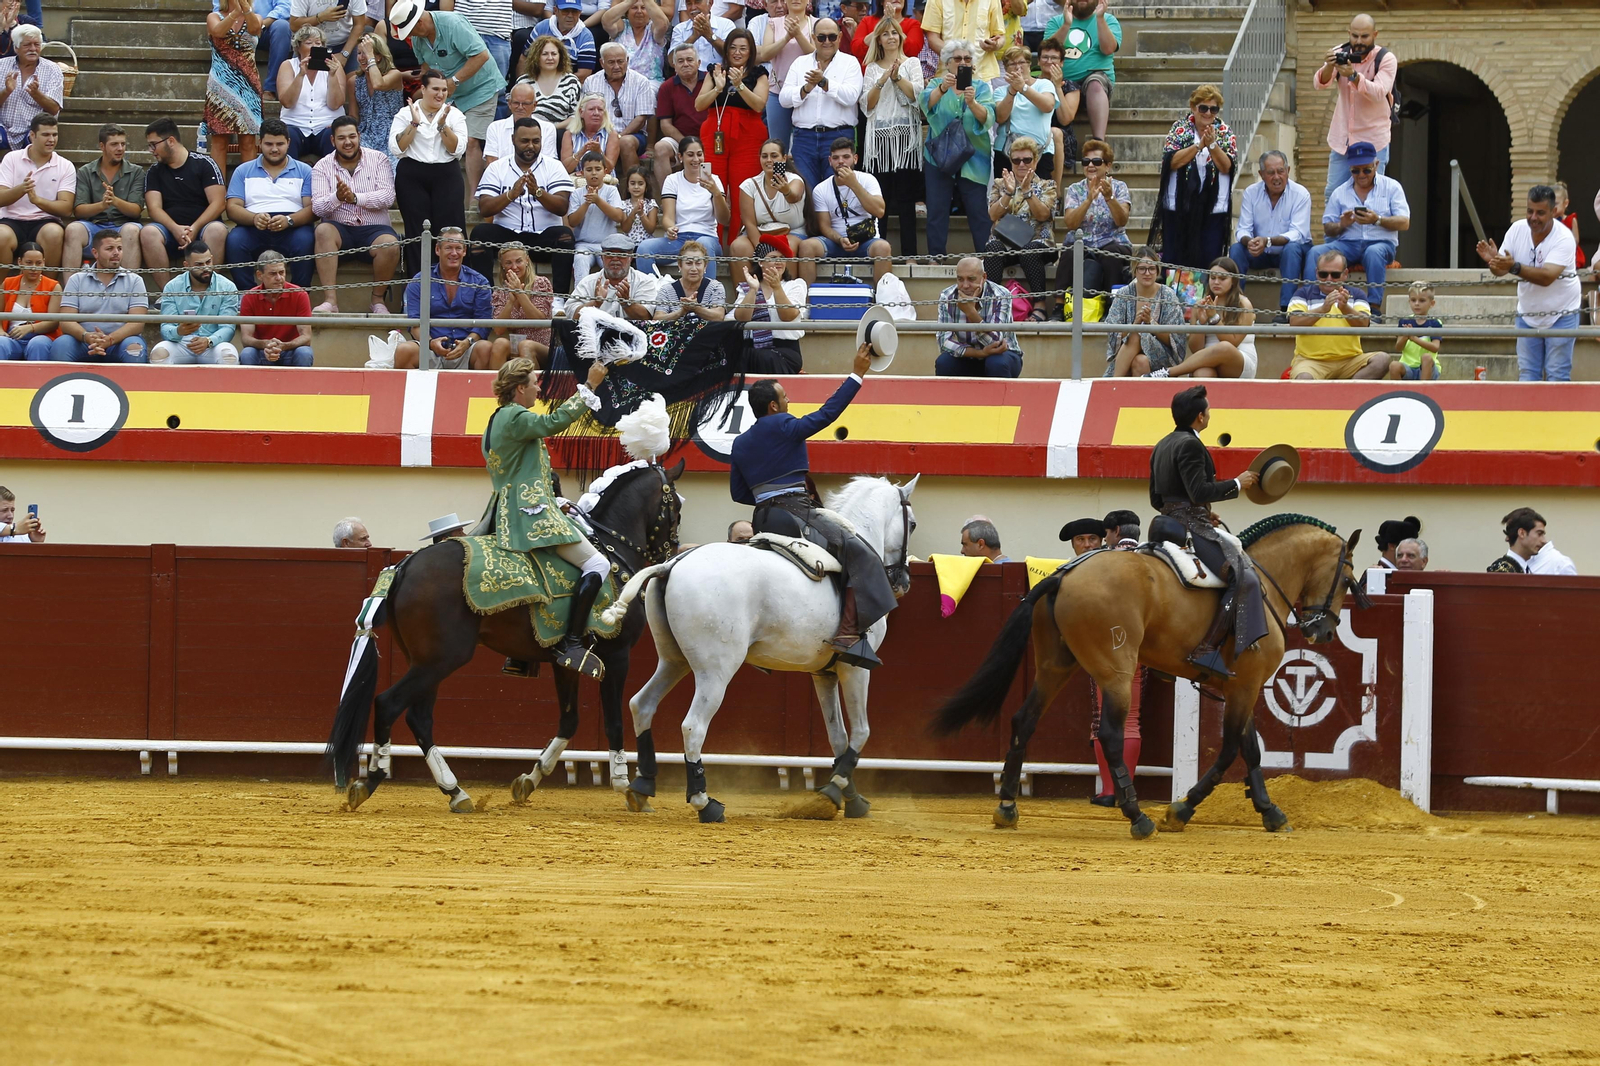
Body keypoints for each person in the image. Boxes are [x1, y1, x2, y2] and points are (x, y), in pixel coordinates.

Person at [729, 344, 893, 668]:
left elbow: (738, 492)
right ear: (774, 406)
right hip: (795, 513)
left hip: (761, 518)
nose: (790, 401)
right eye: (785, 397)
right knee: (860, 553)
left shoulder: (740, 441)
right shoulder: (785, 424)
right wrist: (857, 374)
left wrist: (767, 496)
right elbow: (826, 414)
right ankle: (847, 634)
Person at [487, 356, 615, 678]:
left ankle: (522, 652)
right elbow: (554, 422)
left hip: (509, 511)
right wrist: (590, 386)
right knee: (598, 564)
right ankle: (571, 642)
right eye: (534, 383)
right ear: (519, 389)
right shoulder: (516, 416)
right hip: (532, 515)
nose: (538, 388)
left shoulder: (495, 420)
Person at [1150, 384, 1263, 678]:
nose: (1210, 414)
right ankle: (1207, 648)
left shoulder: (1162, 443)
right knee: (1243, 577)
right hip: (1189, 524)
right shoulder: (1190, 444)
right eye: (1208, 410)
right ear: (1200, 417)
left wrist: (1202, 510)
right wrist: (1237, 484)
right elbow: (1198, 490)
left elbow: (1157, 498)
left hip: (1167, 520)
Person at [386, 0, 502, 200]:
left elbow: (481, 55)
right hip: (447, 92)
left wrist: (454, 81)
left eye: (410, 30)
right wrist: (425, 88)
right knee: (438, 134)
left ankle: (475, 198)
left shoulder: (453, 24)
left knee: (472, 140)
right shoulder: (418, 39)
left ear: (419, 23)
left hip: (480, 88)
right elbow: (425, 68)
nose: (410, 36)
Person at [1477, 185, 1582, 383]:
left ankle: (1556, 415)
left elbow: (1546, 277)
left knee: (1557, 376)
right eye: (1530, 211)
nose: (1533, 217)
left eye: (1540, 213)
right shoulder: (1517, 230)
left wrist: (1513, 266)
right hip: (1528, 313)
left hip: (1562, 313)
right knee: (1527, 376)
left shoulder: (1564, 238)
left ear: (1553, 212)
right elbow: (1500, 269)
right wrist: (1493, 262)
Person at [469, 118, 577, 291]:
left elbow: (562, 207)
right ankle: (486, 295)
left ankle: (559, 299)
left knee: (565, 236)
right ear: (513, 140)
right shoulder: (497, 167)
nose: (531, 146)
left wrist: (538, 193)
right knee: (480, 233)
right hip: (507, 237)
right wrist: (510, 195)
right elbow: (485, 208)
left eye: (536, 141)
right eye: (525, 141)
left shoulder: (554, 167)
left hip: (543, 237)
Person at [311, 115, 400, 314]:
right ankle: (330, 301)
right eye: (342, 138)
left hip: (375, 229)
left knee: (391, 244)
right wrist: (337, 197)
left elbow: (388, 196)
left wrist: (354, 198)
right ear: (333, 140)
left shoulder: (379, 159)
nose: (348, 142)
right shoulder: (321, 167)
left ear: (359, 136)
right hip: (340, 230)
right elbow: (317, 208)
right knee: (323, 230)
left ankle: (378, 300)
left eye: (352, 136)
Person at [389, 71, 468, 277]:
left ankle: (452, 283)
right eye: (435, 89)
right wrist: (414, 123)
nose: (441, 94)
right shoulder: (405, 113)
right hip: (412, 175)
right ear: (423, 89)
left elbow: (456, 150)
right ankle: (418, 286)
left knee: (451, 232)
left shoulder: (455, 115)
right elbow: (397, 149)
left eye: (444, 90)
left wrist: (442, 125)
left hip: (446, 175)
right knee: (417, 232)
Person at [1312, 140, 1408, 309]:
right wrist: (1342, 224)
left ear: (1376, 164)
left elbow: (1404, 222)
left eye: (1366, 170)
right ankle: (1312, 303)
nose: (1361, 175)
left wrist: (1377, 220)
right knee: (1315, 252)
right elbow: (1328, 227)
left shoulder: (1392, 187)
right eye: (1355, 171)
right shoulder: (1340, 192)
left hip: (1381, 243)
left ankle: (1374, 307)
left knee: (1373, 252)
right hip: (1347, 244)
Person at [921, 39, 996, 256]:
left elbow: (988, 118)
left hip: (974, 157)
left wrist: (973, 103)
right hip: (939, 157)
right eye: (957, 58)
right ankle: (936, 257)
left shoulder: (981, 87)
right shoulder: (936, 85)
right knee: (936, 209)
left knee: (978, 210)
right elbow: (926, 105)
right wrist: (944, 87)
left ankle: (985, 259)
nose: (963, 62)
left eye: (967, 58)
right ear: (947, 62)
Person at [223, 118, 317, 288]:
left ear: (289, 143)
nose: (274, 149)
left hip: (293, 227)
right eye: (269, 144)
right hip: (253, 227)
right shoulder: (243, 170)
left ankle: (298, 296)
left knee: (306, 241)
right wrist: (254, 218)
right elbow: (232, 207)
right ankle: (247, 296)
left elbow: (312, 209)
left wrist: (289, 220)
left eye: (280, 144)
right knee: (235, 241)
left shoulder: (305, 171)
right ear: (260, 143)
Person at [1151, 84, 1234, 270]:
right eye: (1203, 108)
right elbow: (1172, 162)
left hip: (1213, 207)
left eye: (1213, 109)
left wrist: (1212, 146)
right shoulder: (1179, 129)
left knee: (1209, 258)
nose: (1208, 113)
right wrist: (1198, 146)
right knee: (1175, 258)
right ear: (1193, 107)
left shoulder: (1224, 132)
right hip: (1178, 205)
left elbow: (1227, 166)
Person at [1313, 12, 1396, 198]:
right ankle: (1335, 228)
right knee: (1333, 194)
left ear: (1375, 35)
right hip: (1343, 140)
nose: (1359, 41)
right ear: (1348, 33)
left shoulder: (1385, 59)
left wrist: (1353, 76)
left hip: (1374, 142)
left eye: (1364, 36)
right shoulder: (1340, 52)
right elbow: (1319, 84)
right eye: (1354, 36)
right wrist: (1329, 65)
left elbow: (1378, 92)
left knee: (1373, 196)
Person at [859, 16, 924, 256]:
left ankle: (910, 256)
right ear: (879, 39)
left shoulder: (913, 63)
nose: (890, 37)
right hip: (879, 140)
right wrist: (882, 80)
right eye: (885, 34)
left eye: (894, 33)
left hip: (905, 137)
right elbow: (867, 105)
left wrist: (897, 77)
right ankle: (879, 251)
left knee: (906, 198)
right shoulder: (872, 67)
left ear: (901, 37)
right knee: (881, 198)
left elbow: (917, 98)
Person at [698, 29, 770, 245]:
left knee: (742, 192)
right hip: (715, 134)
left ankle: (740, 248)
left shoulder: (759, 73)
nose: (737, 53)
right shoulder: (715, 71)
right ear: (726, 49)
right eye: (733, 47)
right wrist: (718, 88)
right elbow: (699, 104)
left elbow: (759, 104)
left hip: (748, 137)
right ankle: (711, 245)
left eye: (743, 48)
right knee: (712, 188)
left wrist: (739, 85)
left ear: (751, 52)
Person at [141, 119, 230, 290]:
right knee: (148, 232)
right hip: (169, 231)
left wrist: (194, 227)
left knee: (217, 230)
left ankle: (210, 291)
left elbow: (218, 203)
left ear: (171, 141)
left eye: (154, 145)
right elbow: (154, 208)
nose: (152, 151)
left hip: (203, 229)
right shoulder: (154, 171)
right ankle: (169, 294)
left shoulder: (204, 164)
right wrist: (175, 229)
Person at [779, 18, 863, 192]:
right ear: (813, 37)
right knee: (806, 193)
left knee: (837, 192)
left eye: (832, 37)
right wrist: (806, 88)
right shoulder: (799, 63)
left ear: (840, 37)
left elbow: (851, 97)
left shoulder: (850, 63)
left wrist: (823, 83)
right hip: (804, 138)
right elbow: (784, 99)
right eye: (821, 37)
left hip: (838, 137)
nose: (827, 42)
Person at [396, 227, 493, 370]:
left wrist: (467, 342)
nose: (454, 253)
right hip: (429, 347)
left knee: (486, 348)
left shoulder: (479, 281)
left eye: (458, 248)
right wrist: (430, 343)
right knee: (403, 351)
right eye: (448, 248)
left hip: (466, 348)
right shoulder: (420, 280)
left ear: (465, 251)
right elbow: (414, 323)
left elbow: (483, 322)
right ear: (437, 250)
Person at [799, 137, 892, 285]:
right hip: (835, 242)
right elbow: (824, 226)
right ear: (830, 161)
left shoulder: (868, 180)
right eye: (836, 158)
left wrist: (854, 184)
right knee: (806, 246)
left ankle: (882, 301)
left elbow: (880, 211)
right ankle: (805, 302)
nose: (841, 161)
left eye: (846, 157)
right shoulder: (821, 189)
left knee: (883, 247)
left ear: (855, 159)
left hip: (866, 241)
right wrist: (840, 239)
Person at [982, 134, 1055, 322]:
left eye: (1027, 160)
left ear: (1036, 161)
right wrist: (1008, 192)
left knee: (1030, 251)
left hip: (1038, 244)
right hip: (1006, 244)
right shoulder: (1000, 184)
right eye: (1016, 160)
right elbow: (993, 215)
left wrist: (1027, 191)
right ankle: (991, 305)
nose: (1021, 164)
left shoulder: (1047, 185)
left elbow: (1043, 215)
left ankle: (1039, 306)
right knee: (992, 249)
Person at [1229, 150, 1313, 313]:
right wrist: (1250, 242)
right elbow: (1243, 229)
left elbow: (1297, 233)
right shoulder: (1251, 192)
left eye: (1281, 171)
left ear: (1288, 171)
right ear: (1261, 174)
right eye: (1270, 172)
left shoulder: (1300, 194)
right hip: (1260, 252)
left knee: (1292, 248)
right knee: (1237, 249)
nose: (1276, 177)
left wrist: (1267, 240)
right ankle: (1234, 305)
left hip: (1291, 253)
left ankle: (1286, 309)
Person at [1285, 248, 1387, 380]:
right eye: (1323, 274)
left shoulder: (1356, 294)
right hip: (1311, 361)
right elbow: (1294, 322)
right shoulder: (1303, 294)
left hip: (1350, 360)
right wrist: (1322, 309)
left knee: (1382, 360)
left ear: (1345, 274)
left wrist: (1345, 308)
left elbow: (1364, 323)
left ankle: (1349, 396)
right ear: (1316, 273)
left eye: (1335, 275)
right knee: (1304, 378)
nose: (1328, 279)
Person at [1054, 137, 1130, 313]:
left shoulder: (1119, 187)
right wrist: (1088, 199)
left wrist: (1109, 198)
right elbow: (1071, 223)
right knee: (1069, 251)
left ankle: (1113, 308)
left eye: (1096, 161)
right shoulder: (1075, 189)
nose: (1090, 165)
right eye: (1086, 161)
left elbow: (1122, 220)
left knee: (1111, 253)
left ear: (1108, 165)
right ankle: (1058, 306)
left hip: (1112, 241)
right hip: (1083, 242)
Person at [50, 230, 150, 363]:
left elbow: (137, 323)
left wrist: (110, 339)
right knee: (61, 345)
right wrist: (87, 337)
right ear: (95, 253)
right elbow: (66, 321)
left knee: (134, 348)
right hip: (84, 341)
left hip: (120, 342)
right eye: (110, 248)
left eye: (119, 248)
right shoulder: (77, 279)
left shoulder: (135, 280)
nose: (116, 253)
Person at [636, 135, 728, 273]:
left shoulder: (714, 180)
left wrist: (715, 192)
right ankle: (653, 290)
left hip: (707, 237)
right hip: (680, 238)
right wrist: (670, 228)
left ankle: (709, 293)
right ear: (681, 157)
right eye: (690, 155)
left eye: (699, 154)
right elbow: (667, 217)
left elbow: (724, 219)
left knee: (704, 245)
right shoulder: (672, 180)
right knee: (644, 248)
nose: (696, 159)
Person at [1154, 258, 1256, 379]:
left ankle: (1169, 372)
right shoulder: (1200, 305)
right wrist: (1201, 323)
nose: (1216, 282)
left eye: (1222, 278)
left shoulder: (1243, 304)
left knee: (1224, 347)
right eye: (1213, 278)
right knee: (1202, 372)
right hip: (1206, 360)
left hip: (1238, 361)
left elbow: (1233, 343)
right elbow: (1195, 349)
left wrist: (1214, 317)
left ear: (1233, 281)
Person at [65, 125, 146, 273]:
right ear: (102, 146)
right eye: (114, 144)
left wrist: (115, 201)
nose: (120, 148)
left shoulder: (136, 172)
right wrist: (102, 205)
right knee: (73, 229)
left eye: (123, 144)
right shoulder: (85, 172)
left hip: (123, 225)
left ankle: (127, 291)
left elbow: (135, 210)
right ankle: (71, 292)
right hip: (94, 226)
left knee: (132, 230)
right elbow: (79, 210)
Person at [0, 113, 74, 271]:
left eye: (55, 134)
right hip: (11, 220)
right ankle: (2, 291)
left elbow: (66, 208)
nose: (51, 139)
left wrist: (37, 201)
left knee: (54, 233)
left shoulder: (65, 165)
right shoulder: (11, 158)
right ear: (32, 136)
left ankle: (48, 290)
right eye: (46, 134)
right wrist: (21, 189)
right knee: (1, 236)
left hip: (45, 221)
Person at [152, 242, 242, 365]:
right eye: (199, 264)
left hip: (212, 344)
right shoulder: (172, 286)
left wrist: (209, 341)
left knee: (229, 356)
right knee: (159, 354)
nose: (205, 268)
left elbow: (228, 328)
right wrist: (179, 331)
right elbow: (166, 327)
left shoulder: (227, 286)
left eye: (208, 262)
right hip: (181, 343)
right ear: (186, 265)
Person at [205, 0, 265, 183]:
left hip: (248, 85)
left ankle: (248, 189)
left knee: (248, 142)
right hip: (221, 84)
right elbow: (218, 32)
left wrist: (245, 9)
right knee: (219, 141)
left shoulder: (256, 17)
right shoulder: (214, 17)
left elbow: (255, 29)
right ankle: (218, 191)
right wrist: (234, 12)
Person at [935, 254, 1023, 378]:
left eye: (971, 279)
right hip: (969, 355)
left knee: (996, 363)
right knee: (944, 362)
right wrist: (979, 353)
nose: (965, 285)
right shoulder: (948, 296)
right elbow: (943, 342)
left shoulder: (1001, 294)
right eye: (960, 279)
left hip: (1004, 355)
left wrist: (971, 313)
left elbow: (996, 341)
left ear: (984, 277)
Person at [1042, 0, 1117, 140]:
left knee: (1095, 83)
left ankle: (1098, 142)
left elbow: (1108, 49)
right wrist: (1066, 25)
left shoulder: (1109, 20)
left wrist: (1100, 19)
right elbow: (1047, 53)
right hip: (1063, 82)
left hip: (1095, 80)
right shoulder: (1056, 22)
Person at [1105, 247, 1184, 377]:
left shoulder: (1168, 295)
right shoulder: (1124, 293)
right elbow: (1112, 333)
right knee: (1140, 361)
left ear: (1157, 271)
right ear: (1134, 271)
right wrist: (1135, 324)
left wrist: (1150, 323)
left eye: (1151, 269)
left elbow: (1176, 339)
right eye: (1142, 268)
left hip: (1163, 356)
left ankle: (1114, 384)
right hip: (1128, 353)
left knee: (1137, 334)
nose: (1147, 273)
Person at [751, 0, 815, 154]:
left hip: (808, 92)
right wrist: (787, 37)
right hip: (777, 91)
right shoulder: (774, 23)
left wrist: (798, 35)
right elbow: (765, 54)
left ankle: (800, 177)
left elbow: (816, 55)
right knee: (778, 146)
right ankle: (780, 177)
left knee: (806, 144)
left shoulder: (815, 23)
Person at [732, 242, 807, 373]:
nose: (778, 262)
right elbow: (741, 318)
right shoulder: (748, 286)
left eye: (782, 258)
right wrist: (753, 290)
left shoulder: (795, 285)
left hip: (783, 351)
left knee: (766, 358)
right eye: (773, 258)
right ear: (761, 262)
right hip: (751, 348)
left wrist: (777, 287)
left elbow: (787, 316)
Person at [583, 41, 655, 176]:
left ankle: (633, 189)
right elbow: (586, 113)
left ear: (627, 60)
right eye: (611, 62)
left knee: (625, 143)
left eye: (620, 61)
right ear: (602, 62)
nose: (616, 66)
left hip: (631, 134)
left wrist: (618, 137)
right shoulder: (591, 82)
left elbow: (641, 118)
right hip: (599, 134)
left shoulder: (641, 81)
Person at [277, 24, 348, 161]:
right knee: (287, 135)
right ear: (298, 47)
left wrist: (332, 76)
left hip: (326, 125)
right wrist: (301, 75)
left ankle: (335, 180)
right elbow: (287, 102)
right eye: (309, 43)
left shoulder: (334, 66)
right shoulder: (288, 65)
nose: (314, 46)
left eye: (318, 43)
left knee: (334, 134)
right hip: (295, 125)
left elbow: (335, 104)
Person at [731, 138, 807, 263]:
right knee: (738, 247)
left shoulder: (795, 180)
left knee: (786, 248)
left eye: (774, 156)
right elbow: (749, 223)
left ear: (784, 158)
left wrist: (785, 190)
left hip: (792, 232)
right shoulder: (749, 185)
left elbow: (794, 197)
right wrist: (762, 250)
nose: (769, 160)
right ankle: (744, 283)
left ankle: (788, 283)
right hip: (761, 232)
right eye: (764, 156)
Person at [239, 249, 315, 365]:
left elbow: (306, 337)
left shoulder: (300, 294)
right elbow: (246, 338)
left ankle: (301, 384)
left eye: (282, 272)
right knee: (247, 353)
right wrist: (266, 345)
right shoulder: (249, 296)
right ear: (260, 275)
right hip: (263, 351)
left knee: (304, 352)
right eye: (273, 274)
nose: (279, 278)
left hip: (290, 350)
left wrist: (283, 346)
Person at [564, 232, 662, 322]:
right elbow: (572, 316)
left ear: (631, 257)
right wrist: (595, 303)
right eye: (610, 254)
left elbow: (647, 317)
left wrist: (627, 303)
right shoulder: (588, 282)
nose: (615, 259)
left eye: (621, 254)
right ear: (602, 257)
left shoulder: (644, 281)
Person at [992, 45, 1056, 181]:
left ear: (1029, 64)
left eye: (1021, 62)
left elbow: (1048, 105)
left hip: (1040, 152)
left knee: (1039, 198)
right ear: (1006, 68)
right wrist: (1012, 91)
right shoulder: (1000, 91)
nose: (1017, 67)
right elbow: (1000, 117)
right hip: (1007, 152)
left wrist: (1023, 88)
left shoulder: (1044, 84)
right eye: (1012, 64)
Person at [488, 242, 555, 370]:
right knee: (499, 343)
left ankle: (532, 387)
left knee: (525, 346)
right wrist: (510, 302)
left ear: (527, 261)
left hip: (541, 347)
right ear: (502, 265)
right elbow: (498, 330)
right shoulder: (501, 291)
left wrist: (520, 294)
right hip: (515, 345)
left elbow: (539, 320)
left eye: (518, 261)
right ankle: (497, 389)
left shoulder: (540, 283)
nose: (514, 267)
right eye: (508, 263)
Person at [653, 44, 707, 191]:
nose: (686, 64)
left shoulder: (710, 80)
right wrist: (686, 144)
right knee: (660, 148)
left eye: (690, 59)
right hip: (680, 138)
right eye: (681, 61)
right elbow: (665, 125)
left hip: (709, 136)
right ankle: (669, 196)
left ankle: (710, 197)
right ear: (674, 66)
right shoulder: (666, 87)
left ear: (698, 63)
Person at [565, 149, 626, 279]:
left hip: (607, 244)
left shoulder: (611, 191)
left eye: (598, 169)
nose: (593, 173)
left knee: (610, 270)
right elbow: (572, 221)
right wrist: (586, 203)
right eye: (589, 169)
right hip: (583, 244)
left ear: (605, 172)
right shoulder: (577, 193)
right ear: (582, 173)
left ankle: (610, 297)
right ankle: (581, 297)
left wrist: (598, 200)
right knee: (580, 259)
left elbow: (618, 216)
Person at [0, 23, 61, 150]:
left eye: (37, 44)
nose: (33, 49)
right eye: (27, 45)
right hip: (3, 128)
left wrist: (36, 94)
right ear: (16, 48)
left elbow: (54, 109)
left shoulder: (53, 70)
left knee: (42, 135)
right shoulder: (1, 66)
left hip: (34, 129)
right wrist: (7, 91)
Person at [348, 32, 406, 162]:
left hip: (392, 133)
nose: (362, 58)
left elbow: (378, 84)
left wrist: (370, 59)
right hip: (365, 134)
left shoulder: (394, 75)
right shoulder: (353, 81)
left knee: (393, 167)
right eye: (359, 53)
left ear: (379, 56)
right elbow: (353, 116)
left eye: (367, 53)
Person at [1036, 36, 1080, 200]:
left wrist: (1056, 87)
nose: (1049, 61)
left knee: (1055, 132)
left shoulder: (1071, 87)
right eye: (1045, 57)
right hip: (1033, 132)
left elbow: (1065, 119)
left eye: (1054, 58)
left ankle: (1055, 192)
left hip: (1060, 136)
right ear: (1039, 61)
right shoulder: (1031, 84)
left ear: (1061, 62)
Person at [921, 0, 1004, 86]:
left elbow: (1000, 36)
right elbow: (933, 38)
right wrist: (958, 60)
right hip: (948, 77)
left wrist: (995, 45)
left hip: (981, 76)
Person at [485, 80, 559, 170]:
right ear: (509, 104)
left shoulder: (548, 129)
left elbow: (548, 164)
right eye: (516, 103)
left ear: (534, 105)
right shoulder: (495, 128)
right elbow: (491, 163)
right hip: (502, 180)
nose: (520, 107)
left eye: (525, 104)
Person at [0, 241, 56, 359]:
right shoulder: (7, 283)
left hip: (40, 337)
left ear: (44, 263)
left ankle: (38, 377)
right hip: (11, 337)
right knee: (1, 342)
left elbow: (54, 322)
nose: (34, 268)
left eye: (38, 263)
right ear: (20, 262)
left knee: (38, 344)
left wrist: (30, 328)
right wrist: (0, 331)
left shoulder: (53, 286)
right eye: (29, 263)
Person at [1488, 507, 1576, 576]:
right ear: (1522, 533)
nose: (1544, 541)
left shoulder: (1519, 568)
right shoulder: (1502, 570)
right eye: (1539, 534)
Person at [521, 34, 584, 127]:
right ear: (536, 57)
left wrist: (552, 129)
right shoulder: (524, 82)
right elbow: (518, 112)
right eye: (544, 54)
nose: (550, 58)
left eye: (554, 54)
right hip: (529, 132)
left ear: (560, 56)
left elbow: (576, 116)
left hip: (560, 133)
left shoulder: (572, 82)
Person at [291, 0, 371, 73]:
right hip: (311, 44)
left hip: (346, 43)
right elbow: (294, 26)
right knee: (300, 77)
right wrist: (320, 18)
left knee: (354, 80)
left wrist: (344, 54)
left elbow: (359, 24)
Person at [601, 0, 670, 84]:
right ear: (627, 12)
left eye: (643, 8)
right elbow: (606, 21)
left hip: (650, 83)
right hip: (622, 82)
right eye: (634, 8)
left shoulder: (653, 30)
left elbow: (663, 24)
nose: (639, 11)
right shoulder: (621, 27)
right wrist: (630, 1)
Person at [656, 240, 726, 322]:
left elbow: (719, 316)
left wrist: (696, 308)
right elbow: (657, 319)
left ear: (705, 266)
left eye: (698, 263)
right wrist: (681, 312)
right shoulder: (666, 290)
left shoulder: (715, 287)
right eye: (689, 263)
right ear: (680, 265)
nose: (693, 269)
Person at [531, 0, 599, 79]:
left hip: (570, 84)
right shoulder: (541, 27)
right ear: (555, 11)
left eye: (574, 11)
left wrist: (558, 84)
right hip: (538, 79)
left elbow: (584, 74)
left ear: (579, 13)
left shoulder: (586, 36)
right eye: (565, 11)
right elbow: (525, 59)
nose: (570, 15)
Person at [1389, 280, 1441, 381]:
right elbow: (1398, 348)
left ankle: (1423, 392)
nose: (1417, 304)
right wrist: (1405, 336)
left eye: (1422, 300)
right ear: (1409, 301)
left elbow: (1435, 347)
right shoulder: (1404, 321)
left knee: (1426, 357)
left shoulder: (1435, 323)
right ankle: (1399, 394)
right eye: (1413, 300)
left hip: (1428, 369)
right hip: (1408, 368)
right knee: (1394, 365)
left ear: (1432, 303)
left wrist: (1414, 338)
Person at [559, 93, 621, 175]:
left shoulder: (611, 134)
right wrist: (582, 151)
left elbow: (609, 169)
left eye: (600, 110)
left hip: (604, 183)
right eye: (591, 109)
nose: (596, 113)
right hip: (576, 183)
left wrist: (599, 152)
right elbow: (565, 169)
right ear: (581, 112)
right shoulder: (569, 135)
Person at [669, 0, 736, 73]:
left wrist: (710, 35)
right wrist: (694, 37)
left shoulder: (726, 25)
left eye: (697, 2)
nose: (693, 7)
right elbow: (672, 61)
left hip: (718, 78)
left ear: (710, 3)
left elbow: (732, 55)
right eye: (689, 4)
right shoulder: (680, 29)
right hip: (687, 79)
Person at [850, 0, 923, 66]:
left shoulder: (913, 24)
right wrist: (883, 24)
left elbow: (913, 49)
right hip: (872, 73)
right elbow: (856, 49)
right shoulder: (867, 21)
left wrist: (893, 23)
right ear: (881, 2)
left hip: (903, 72)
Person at [1552, 181, 1585, 270]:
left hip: (1568, 252)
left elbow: (1576, 239)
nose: (1552, 207)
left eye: (1556, 204)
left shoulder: (1570, 220)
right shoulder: (1549, 221)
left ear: (1565, 203)